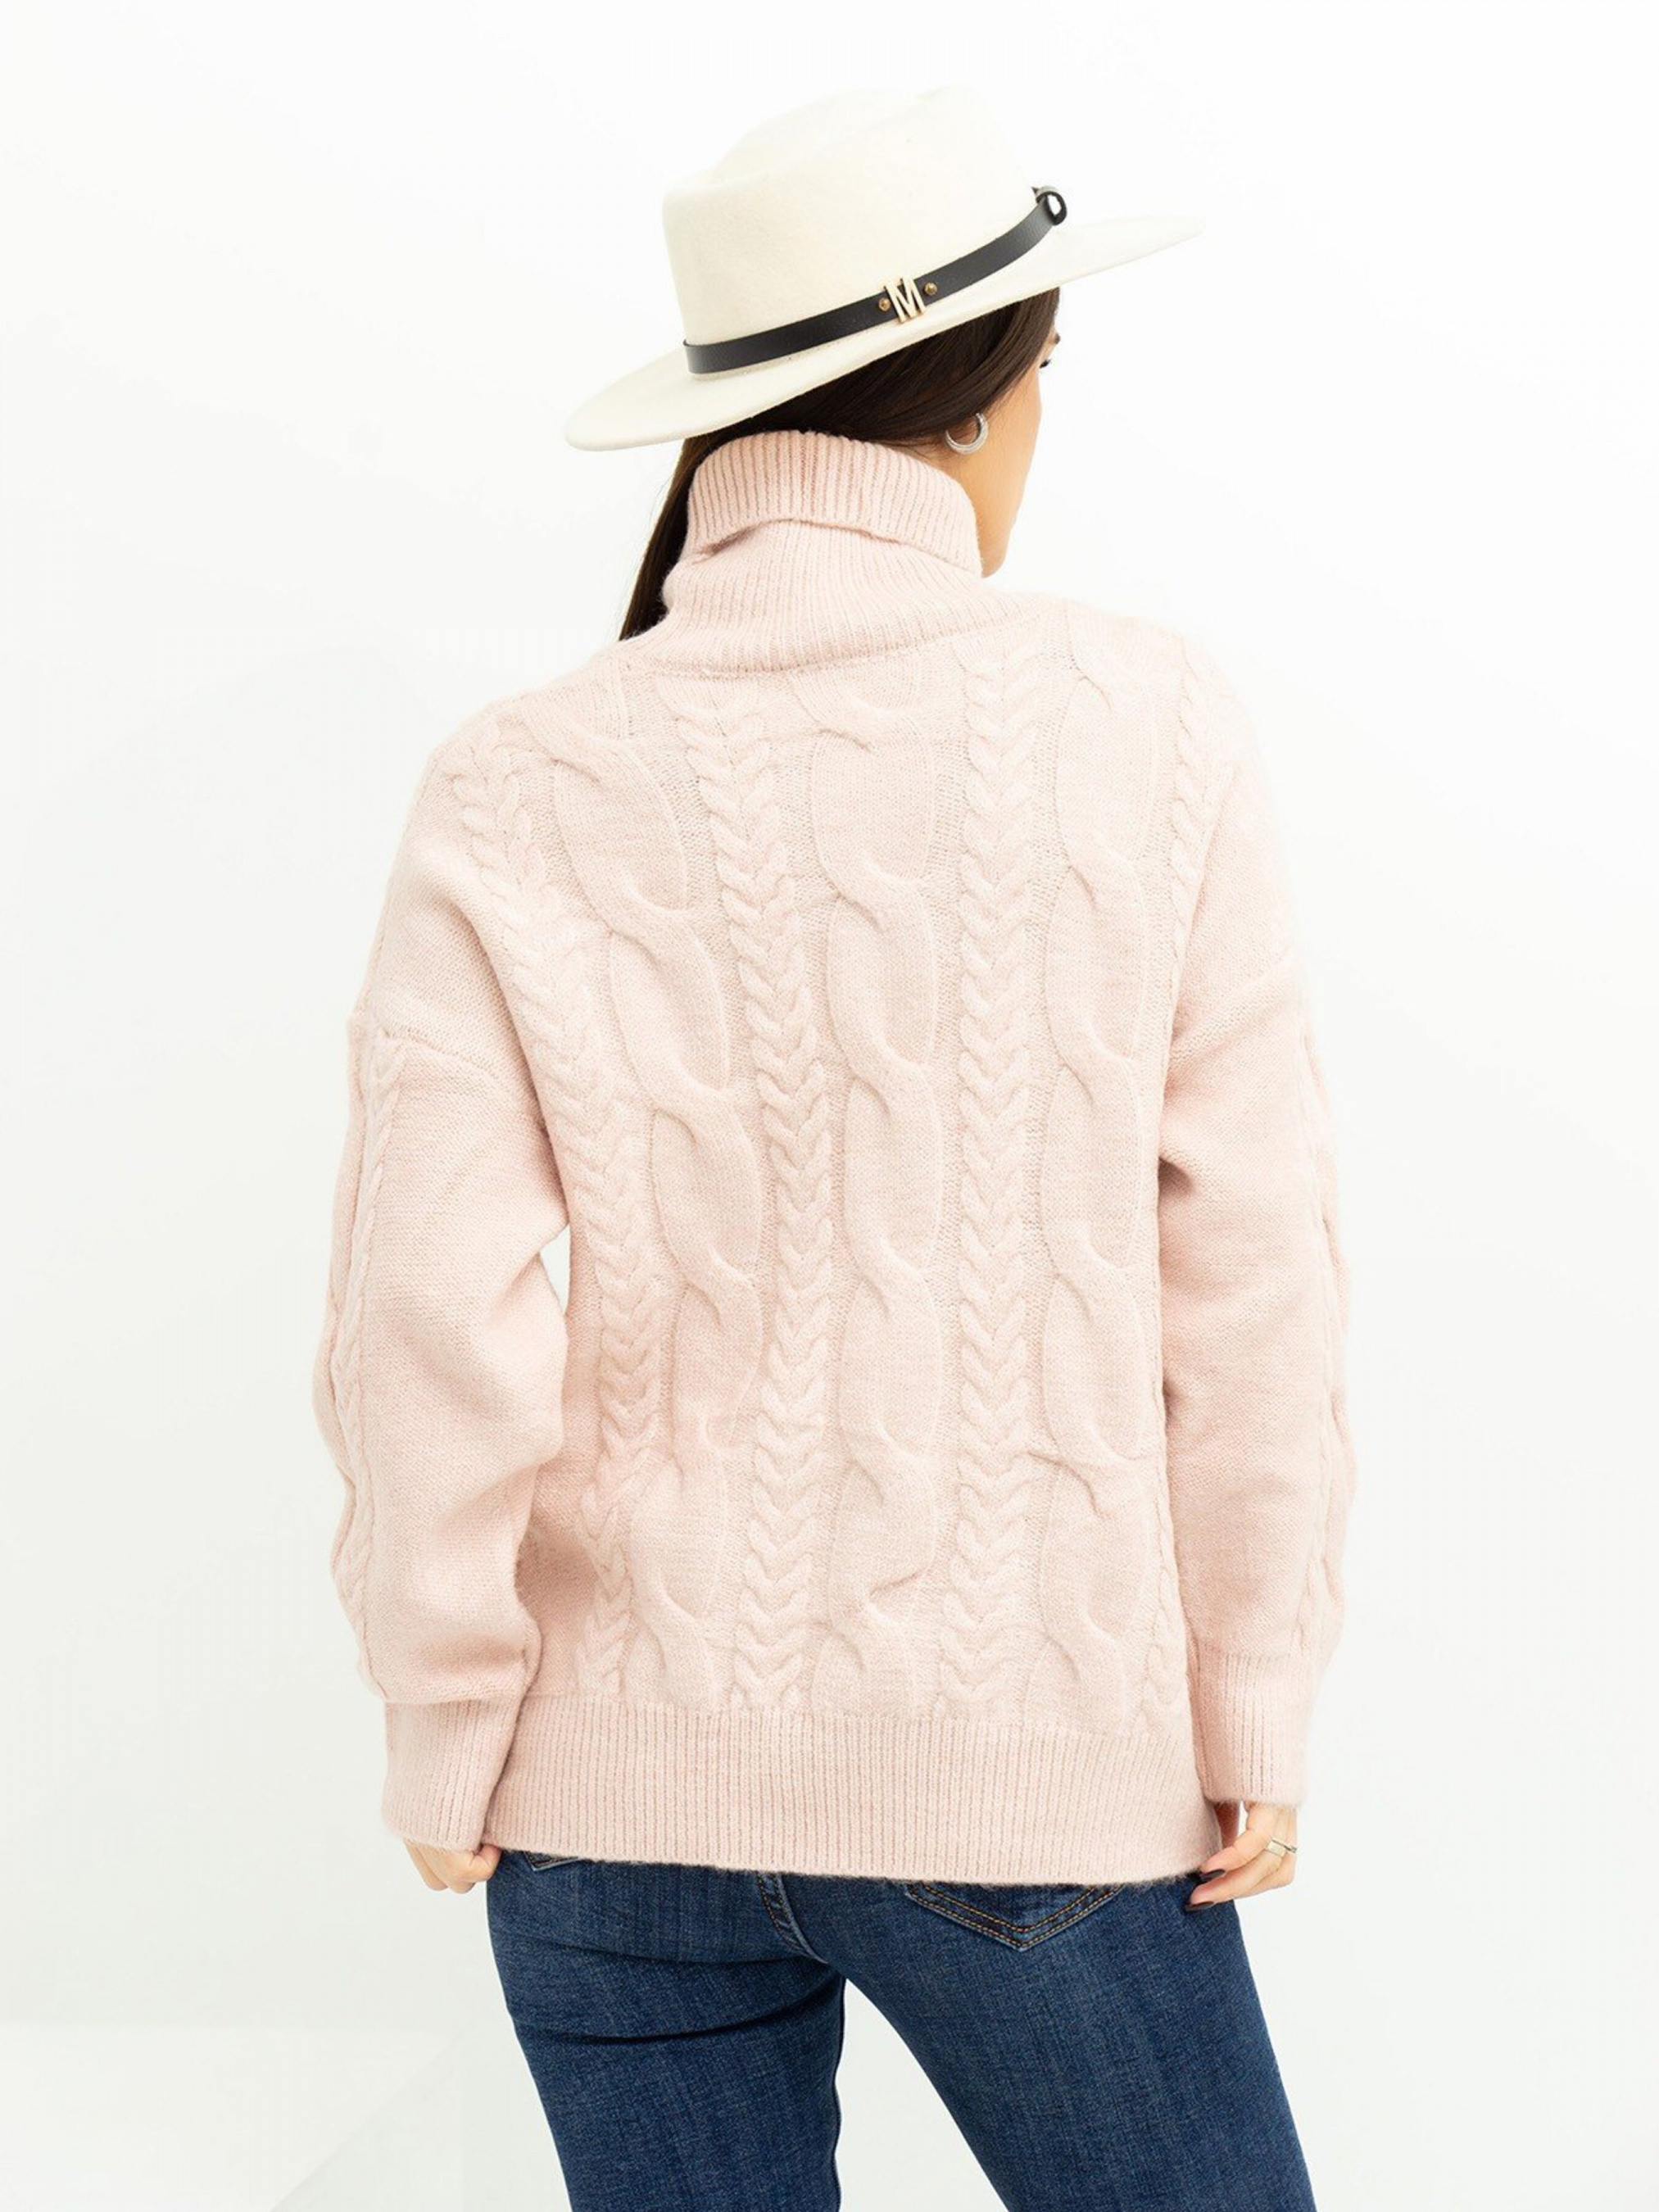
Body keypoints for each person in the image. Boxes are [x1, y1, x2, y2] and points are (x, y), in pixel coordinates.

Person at [312, 84, 1356, 2212]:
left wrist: (444, 1709)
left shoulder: (519, 775)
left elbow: (418, 1308)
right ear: (985, 395)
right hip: (1031, 1789)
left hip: (604, 1813)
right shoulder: (1146, 724)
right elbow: (1249, 1273)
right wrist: (1249, 1695)